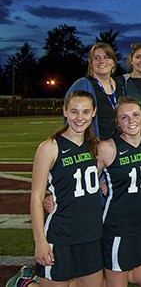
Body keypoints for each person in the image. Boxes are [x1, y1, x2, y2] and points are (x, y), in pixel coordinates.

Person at [31, 90, 103, 286]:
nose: (80, 118)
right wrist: (40, 242)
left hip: (91, 234)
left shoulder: (95, 146)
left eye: (85, 112)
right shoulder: (50, 147)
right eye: (74, 111)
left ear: (93, 112)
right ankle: (26, 283)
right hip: (61, 234)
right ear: (64, 111)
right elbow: (36, 196)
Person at [98, 97, 141, 287]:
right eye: (124, 117)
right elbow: (85, 179)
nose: (131, 121)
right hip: (119, 225)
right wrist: (52, 196)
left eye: (135, 115)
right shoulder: (107, 148)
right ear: (117, 122)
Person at [66, 42, 122, 139]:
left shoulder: (120, 85)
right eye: (96, 58)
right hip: (94, 144)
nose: (102, 61)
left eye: (106, 57)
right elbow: (68, 117)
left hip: (118, 143)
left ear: (114, 62)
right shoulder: (83, 85)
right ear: (90, 62)